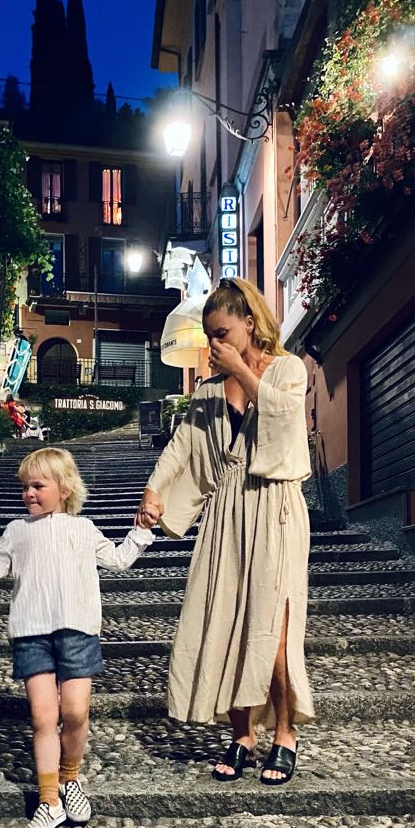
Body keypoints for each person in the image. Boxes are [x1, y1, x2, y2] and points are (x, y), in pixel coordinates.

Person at [0, 447, 154, 828]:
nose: (29, 493)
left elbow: (118, 560)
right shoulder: (17, 530)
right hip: (31, 634)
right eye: (25, 486)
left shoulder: (84, 528)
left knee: (75, 711)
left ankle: (70, 778)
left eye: (38, 486)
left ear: (64, 488)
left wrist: (142, 531)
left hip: (78, 631)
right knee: (43, 718)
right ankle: (49, 800)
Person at [135, 277, 314, 787]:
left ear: (249, 325)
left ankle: (285, 735)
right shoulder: (209, 391)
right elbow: (183, 446)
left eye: (222, 333)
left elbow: (285, 420)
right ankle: (243, 736)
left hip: (275, 507)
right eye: (210, 335)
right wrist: (154, 490)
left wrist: (242, 370)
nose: (214, 344)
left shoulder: (288, 369)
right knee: (224, 625)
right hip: (226, 512)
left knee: (273, 633)